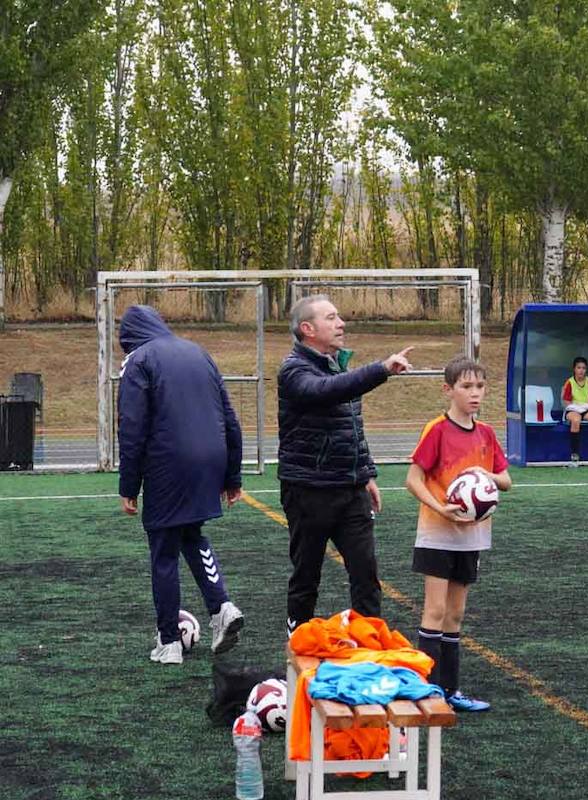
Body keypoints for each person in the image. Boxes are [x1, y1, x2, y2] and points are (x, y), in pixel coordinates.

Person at [277, 294, 414, 634]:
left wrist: (366, 474)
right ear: (308, 329)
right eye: (332, 318)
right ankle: (298, 642)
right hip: (309, 490)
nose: (341, 324)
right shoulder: (294, 370)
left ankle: (370, 648)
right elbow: (328, 391)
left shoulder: (339, 364)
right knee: (307, 574)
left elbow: (350, 427)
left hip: (351, 490)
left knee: (366, 573)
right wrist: (381, 369)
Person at [117, 304, 245, 664]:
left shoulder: (139, 360)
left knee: (163, 550)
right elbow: (229, 418)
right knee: (191, 533)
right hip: (210, 458)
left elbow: (132, 427)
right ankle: (222, 605)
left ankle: (169, 641)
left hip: (168, 463)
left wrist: (129, 485)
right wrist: (232, 473)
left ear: (128, 337)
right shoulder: (198, 352)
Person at [405, 356, 513, 712]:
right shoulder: (436, 429)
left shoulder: (486, 434)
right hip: (438, 533)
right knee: (434, 611)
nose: (475, 393)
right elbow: (413, 479)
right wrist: (439, 507)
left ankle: (450, 691)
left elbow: (506, 480)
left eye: (480, 386)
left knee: (455, 615)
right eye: (467, 387)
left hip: (473, 537)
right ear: (448, 390)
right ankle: (426, 692)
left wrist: (482, 478)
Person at [562, 356, 588, 463]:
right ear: (574, 369)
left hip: (586, 408)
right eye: (579, 368)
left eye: (583, 368)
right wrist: (576, 407)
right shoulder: (569, 382)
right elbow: (566, 402)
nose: (581, 371)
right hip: (572, 409)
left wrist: (585, 406)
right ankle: (575, 454)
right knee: (576, 420)